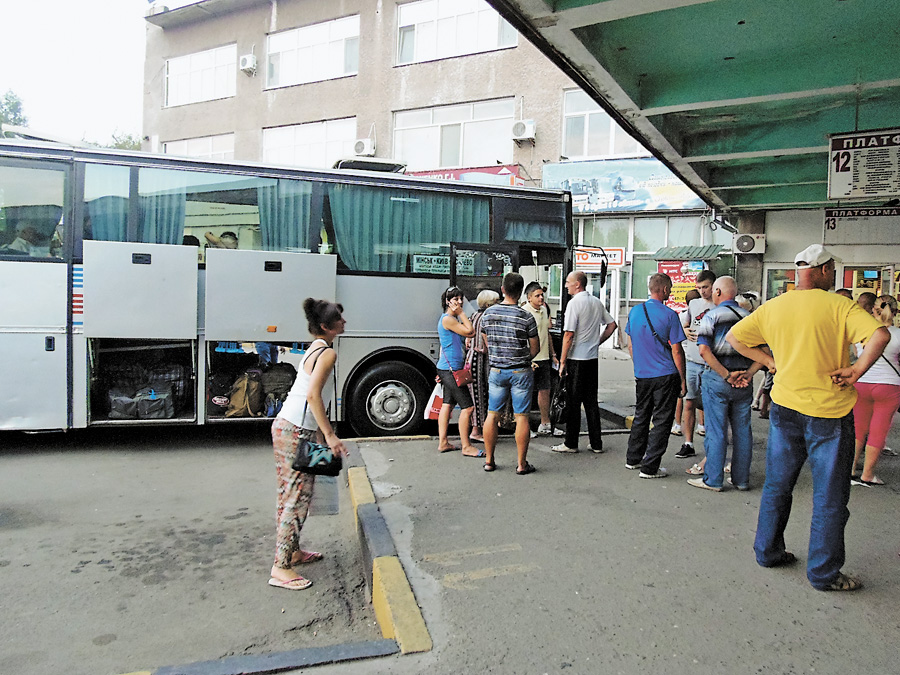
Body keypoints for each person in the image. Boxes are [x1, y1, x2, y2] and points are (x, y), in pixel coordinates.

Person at [727, 244, 889, 592]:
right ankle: (824, 573)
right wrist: (857, 369)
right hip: (829, 414)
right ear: (826, 271)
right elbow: (880, 335)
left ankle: (768, 551)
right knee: (829, 496)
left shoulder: (775, 306)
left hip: (784, 408)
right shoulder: (840, 306)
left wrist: (770, 362)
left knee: (777, 485)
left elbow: (734, 338)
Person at [268, 298, 348, 591]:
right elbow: (313, 396)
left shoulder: (314, 347)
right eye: (339, 319)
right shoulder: (327, 354)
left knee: (289, 493)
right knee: (297, 498)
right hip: (296, 431)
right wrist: (329, 436)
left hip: (285, 427)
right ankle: (280, 567)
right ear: (326, 327)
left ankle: (293, 551)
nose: (344, 322)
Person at [687, 276, 760, 492]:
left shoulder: (712, 316)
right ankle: (741, 480)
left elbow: (703, 350)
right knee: (743, 431)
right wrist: (747, 374)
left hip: (717, 380)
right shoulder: (750, 318)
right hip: (744, 384)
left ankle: (713, 479)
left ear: (717, 292)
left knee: (716, 431)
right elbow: (763, 354)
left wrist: (726, 375)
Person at [624, 273, 687, 478]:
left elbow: (630, 344)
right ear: (665, 290)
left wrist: (640, 365)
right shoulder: (670, 315)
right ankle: (650, 468)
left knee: (642, 415)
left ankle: (633, 459)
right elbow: (677, 351)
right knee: (662, 420)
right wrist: (683, 380)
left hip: (642, 375)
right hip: (665, 375)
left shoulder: (634, 312)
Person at [481, 272, 539, 475]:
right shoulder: (526, 316)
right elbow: (535, 348)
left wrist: (498, 355)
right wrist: (523, 358)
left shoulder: (487, 314)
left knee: (492, 414)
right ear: (521, 292)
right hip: (520, 371)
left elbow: (486, 341)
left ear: (503, 289)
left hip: (497, 371)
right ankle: (522, 464)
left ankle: (489, 460)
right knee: (521, 417)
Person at [553, 271, 617, 453]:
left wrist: (562, 361)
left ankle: (570, 443)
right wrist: (597, 341)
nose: (566, 286)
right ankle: (596, 443)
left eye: (568, 282)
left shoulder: (574, 304)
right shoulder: (596, 302)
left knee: (573, 402)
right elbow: (612, 325)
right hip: (592, 359)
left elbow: (568, 335)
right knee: (591, 402)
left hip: (576, 359)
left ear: (577, 285)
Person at [850, 294, 900, 486]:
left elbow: (857, 354)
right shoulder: (897, 334)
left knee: (858, 429)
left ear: (873, 310)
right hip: (889, 387)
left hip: (862, 383)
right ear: (894, 312)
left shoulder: (862, 332)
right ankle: (868, 474)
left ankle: (851, 468)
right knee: (878, 431)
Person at [675, 270, 716, 459]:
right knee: (688, 401)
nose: (702, 291)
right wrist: (685, 329)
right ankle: (688, 442)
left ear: (714, 286)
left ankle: (714, 445)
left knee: (712, 405)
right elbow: (685, 324)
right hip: (692, 360)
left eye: (705, 287)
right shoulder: (694, 303)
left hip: (712, 362)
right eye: (699, 288)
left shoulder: (720, 305)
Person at [435, 286, 479, 457]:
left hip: (448, 367)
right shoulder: (448, 319)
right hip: (451, 369)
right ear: (447, 302)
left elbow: (464, 336)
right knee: (468, 408)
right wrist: (461, 313)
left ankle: (443, 442)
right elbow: (471, 331)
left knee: (448, 404)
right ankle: (466, 446)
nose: (459, 302)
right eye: (455, 299)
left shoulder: (449, 319)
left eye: (461, 298)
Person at [521, 281, 563, 438]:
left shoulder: (544, 310)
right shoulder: (524, 312)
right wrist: (527, 358)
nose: (541, 298)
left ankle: (545, 424)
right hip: (530, 358)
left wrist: (553, 354)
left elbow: (547, 333)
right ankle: (525, 426)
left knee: (545, 390)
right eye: (537, 295)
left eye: (542, 295)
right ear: (529, 297)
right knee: (525, 392)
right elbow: (522, 338)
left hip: (544, 357)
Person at [467, 290, 500, 442]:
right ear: (488, 304)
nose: (499, 304)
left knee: (476, 394)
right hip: (480, 359)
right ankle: (476, 431)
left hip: (472, 358)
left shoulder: (474, 315)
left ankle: (478, 428)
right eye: (497, 301)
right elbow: (487, 343)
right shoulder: (487, 317)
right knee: (480, 395)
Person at [672, 289, 701, 437]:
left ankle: (677, 424)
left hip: (684, 358)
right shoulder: (702, 314)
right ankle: (701, 425)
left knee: (682, 395)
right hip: (697, 358)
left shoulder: (682, 315)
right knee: (698, 395)